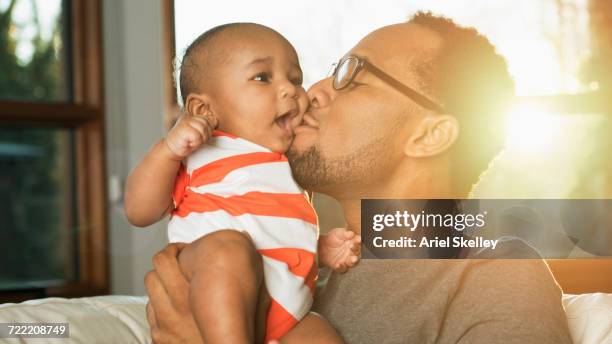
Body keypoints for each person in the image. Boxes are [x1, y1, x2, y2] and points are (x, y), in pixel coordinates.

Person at [144, 13, 573, 343]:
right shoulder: (290, 264)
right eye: (332, 70)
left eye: (353, 76)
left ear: (429, 135)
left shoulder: (493, 273)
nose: (310, 91)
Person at [125, 23, 360, 343]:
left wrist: (316, 248)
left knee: (321, 334)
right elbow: (139, 211)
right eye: (263, 77)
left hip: (286, 313)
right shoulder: (201, 148)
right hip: (212, 282)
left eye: (295, 79)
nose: (292, 90)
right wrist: (168, 151)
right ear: (204, 109)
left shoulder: (289, 163)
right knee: (228, 248)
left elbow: (272, 231)